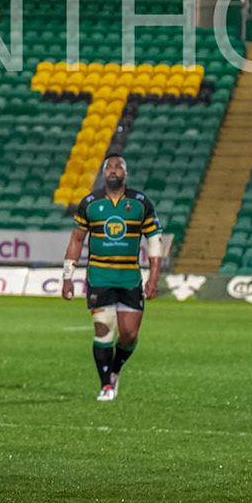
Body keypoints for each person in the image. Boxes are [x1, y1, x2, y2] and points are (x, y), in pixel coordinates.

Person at [60, 155, 162, 402]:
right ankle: (105, 385)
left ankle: (116, 370)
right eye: (109, 167)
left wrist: (153, 278)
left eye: (119, 167)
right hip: (100, 275)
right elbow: (76, 240)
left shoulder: (140, 203)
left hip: (129, 277)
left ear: (125, 173)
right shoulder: (90, 203)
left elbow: (154, 240)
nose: (114, 170)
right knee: (103, 329)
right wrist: (67, 277)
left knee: (129, 334)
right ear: (103, 173)